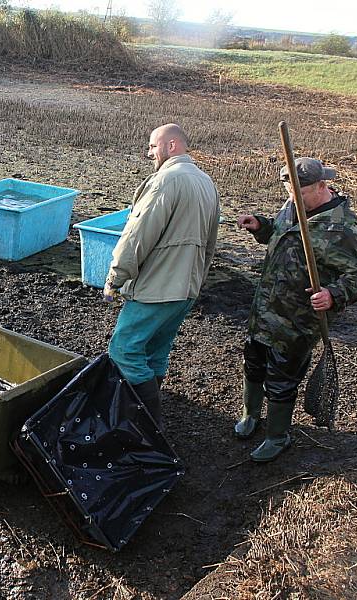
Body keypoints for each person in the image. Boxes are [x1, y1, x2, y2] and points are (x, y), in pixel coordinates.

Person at [235, 157, 357, 462]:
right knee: (254, 364)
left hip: (297, 323)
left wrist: (333, 294)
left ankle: (277, 436)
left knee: (281, 379)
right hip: (264, 311)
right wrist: (262, 226)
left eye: (299, 193)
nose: (291, 199)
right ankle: (251, 416)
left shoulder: (343, 228)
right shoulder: (292, 206)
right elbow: (280, 236)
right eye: (288, 192)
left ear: (322, 185)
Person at [104, 123, 220, 428]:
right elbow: (211, 242)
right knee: (156, 351)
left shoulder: (166, 180)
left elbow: (137, 235)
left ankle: (145, 426)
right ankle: (148, 423)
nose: (148, 153)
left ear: (172, 146)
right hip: (186, 288)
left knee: (124, 349)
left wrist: (116, 276)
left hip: (158, 288)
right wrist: (196, 280)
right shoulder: (205, 181)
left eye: (153, 146)